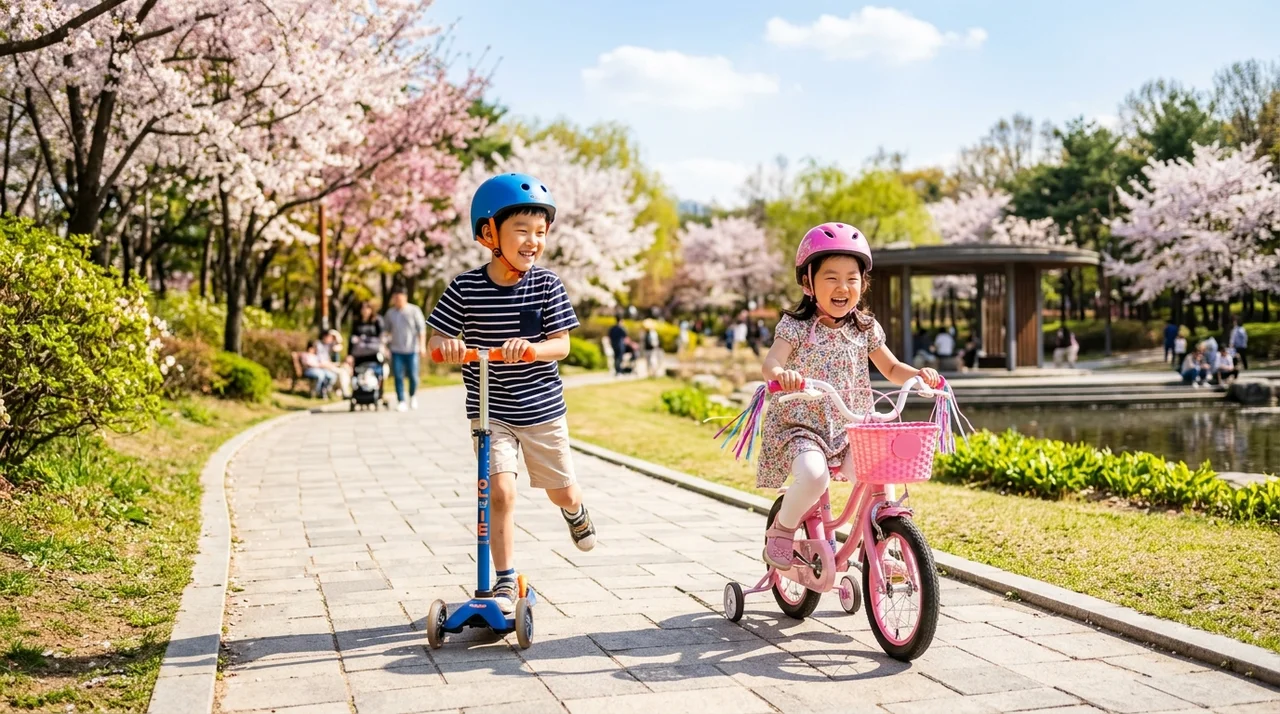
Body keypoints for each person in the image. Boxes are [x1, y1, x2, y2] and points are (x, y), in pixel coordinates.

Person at [427, 172, 596, 614]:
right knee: (499, 493)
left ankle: (575, 510)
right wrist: (446, 348)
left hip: (541, 408)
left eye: (540, 232)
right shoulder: (465, 288)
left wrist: (534, 349)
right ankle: (504, 581)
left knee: (561, 491)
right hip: (490, 410)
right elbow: (435, 343)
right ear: (488, 234)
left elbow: (562, 344)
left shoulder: (547, 285)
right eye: (521, 230)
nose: (533, 241)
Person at [759, 223, 941, 569]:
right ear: (807, 283)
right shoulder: (795, 328)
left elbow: (891, 368)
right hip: (802, 427)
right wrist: (783, 375)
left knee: (880, 470)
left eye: (851, 278)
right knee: (814, 476)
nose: (842, 287)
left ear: (863, 283)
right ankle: (782, 530)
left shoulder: (865, 328)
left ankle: (880, 549)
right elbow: (771, 362)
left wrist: (918, 377)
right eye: (831, 278)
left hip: (849, 427)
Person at [385, 288, 426, 411]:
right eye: (395, 298)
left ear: (405, 298)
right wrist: (385, 347)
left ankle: (413, 396)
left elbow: (421, 329)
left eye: (399, 298)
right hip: (396, 350)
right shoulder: (390, 313)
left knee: (413, 376)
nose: (397, 301)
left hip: (412, 349)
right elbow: (386, 331)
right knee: (398, 376)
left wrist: (422, 346)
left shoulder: (414, 310)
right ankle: (401, 400)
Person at [347, 300, 386, 378]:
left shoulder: (377, 321)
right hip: (360, 353)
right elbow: (351, 338)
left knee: (377, 372)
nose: (365, 310)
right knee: (358, 373)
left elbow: (382, 336)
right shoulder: (356, 322)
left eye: (367, 308)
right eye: (363, 308)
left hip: (374, 353)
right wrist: (349, 354)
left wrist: (384, 348)